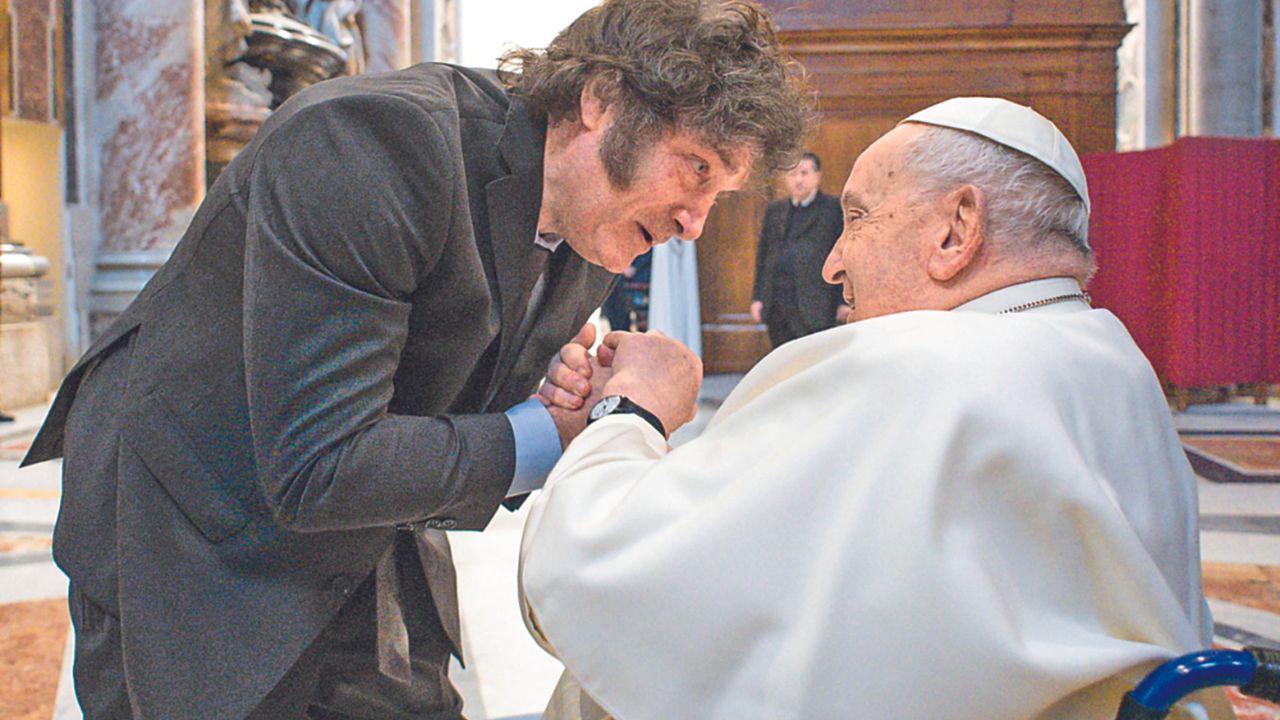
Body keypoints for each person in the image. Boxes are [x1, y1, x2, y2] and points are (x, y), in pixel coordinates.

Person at [20, 1, 807, 717]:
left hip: (364, 534)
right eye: (696, 169)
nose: (697, 222)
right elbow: (319, 465)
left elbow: (448, 384)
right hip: (193, 525)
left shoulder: (594, 219)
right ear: (600, 102)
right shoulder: (371, 145)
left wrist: (551, 393)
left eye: (721, 194)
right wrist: (560, 432)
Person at [522, 98, 1231, 719]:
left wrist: (634, 411)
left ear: (957, 229)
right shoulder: (1110, 356)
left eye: (856, 217)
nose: (834, 262)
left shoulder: (911, 364)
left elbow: (606, 577)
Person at [749, 151, 847, 347]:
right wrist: (758, 297)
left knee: (815, 358)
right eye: (792, 174)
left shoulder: (832, 209)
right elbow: (763, 255)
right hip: (777, 301)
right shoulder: (776, 210)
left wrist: (843, 301)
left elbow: (842, 256)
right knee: (781, 359)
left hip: (816, 301)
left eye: (804, 173)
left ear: (818, 176)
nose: (798, 180)